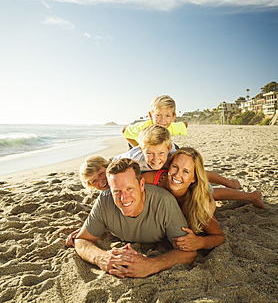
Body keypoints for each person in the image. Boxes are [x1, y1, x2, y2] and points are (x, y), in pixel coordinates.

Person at [66, 158, 196, 278]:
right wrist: (102, 258)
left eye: (129, 188)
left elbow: (189, 253)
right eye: (116, 191)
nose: (124, 198)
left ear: (141, 185)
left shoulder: (164, 201)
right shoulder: (105, 200)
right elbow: (81, 240)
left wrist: (152, 265)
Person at [115, 124, 243, 195]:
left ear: (168, 149)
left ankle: (229, 183)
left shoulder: (174, 156)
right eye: (149, 153)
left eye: (160, 153)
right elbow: (113, 165)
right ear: (141, 150)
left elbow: (193, 171)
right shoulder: (132, 158)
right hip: (150, 167)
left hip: (171, 156)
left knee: (200, 176)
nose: (155, 159)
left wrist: (206, 187)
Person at [122, 95, 188, 148]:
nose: (163, 120)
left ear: (173, 117)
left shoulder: (173, 127)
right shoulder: (143, 128)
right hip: (141, 144)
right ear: (150, 115)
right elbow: (124, 130)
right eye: (158, 115)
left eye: (167, 116)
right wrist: (138, 147)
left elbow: (185, 124)